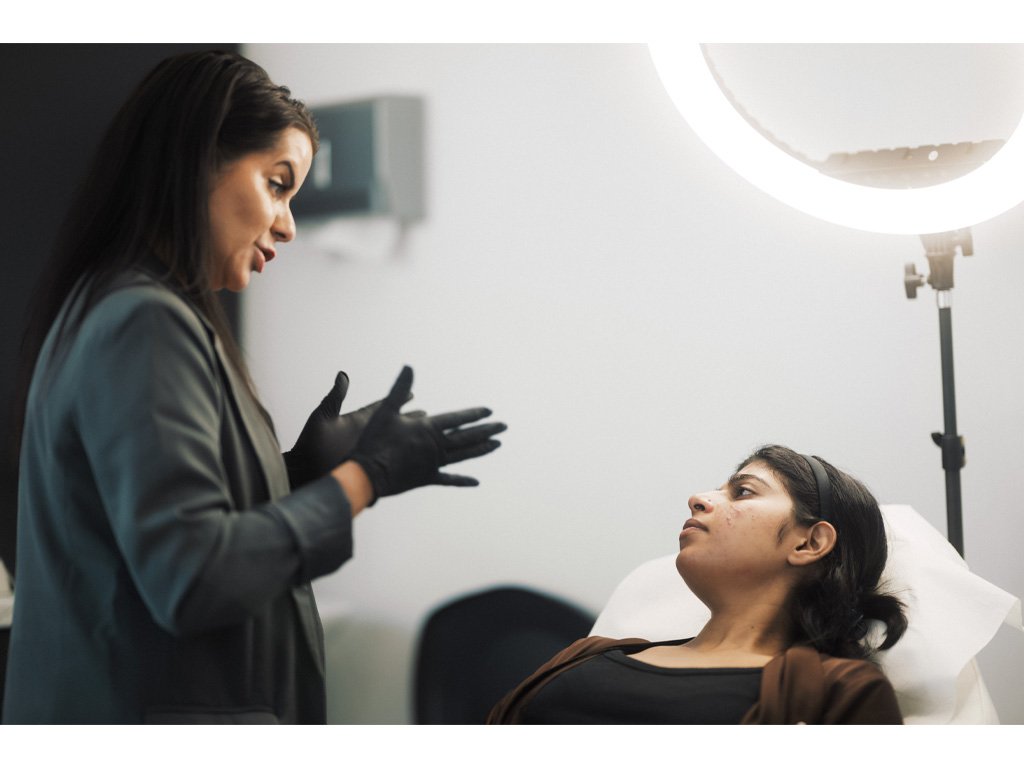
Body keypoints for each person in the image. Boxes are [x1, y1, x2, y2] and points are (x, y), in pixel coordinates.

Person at [2, 50, 505, 724]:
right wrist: (361, 481)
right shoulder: (143, 321)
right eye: (275, 184)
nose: (288, 225)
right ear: (194, 159)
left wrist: (299, 470)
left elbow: (167, 529)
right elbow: (192, 577)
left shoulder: (118, 307)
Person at [488, 445, 907, 725]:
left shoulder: (835, 694)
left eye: (742, 492)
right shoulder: (587, 654)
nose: (698, 498)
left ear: (809, 542)